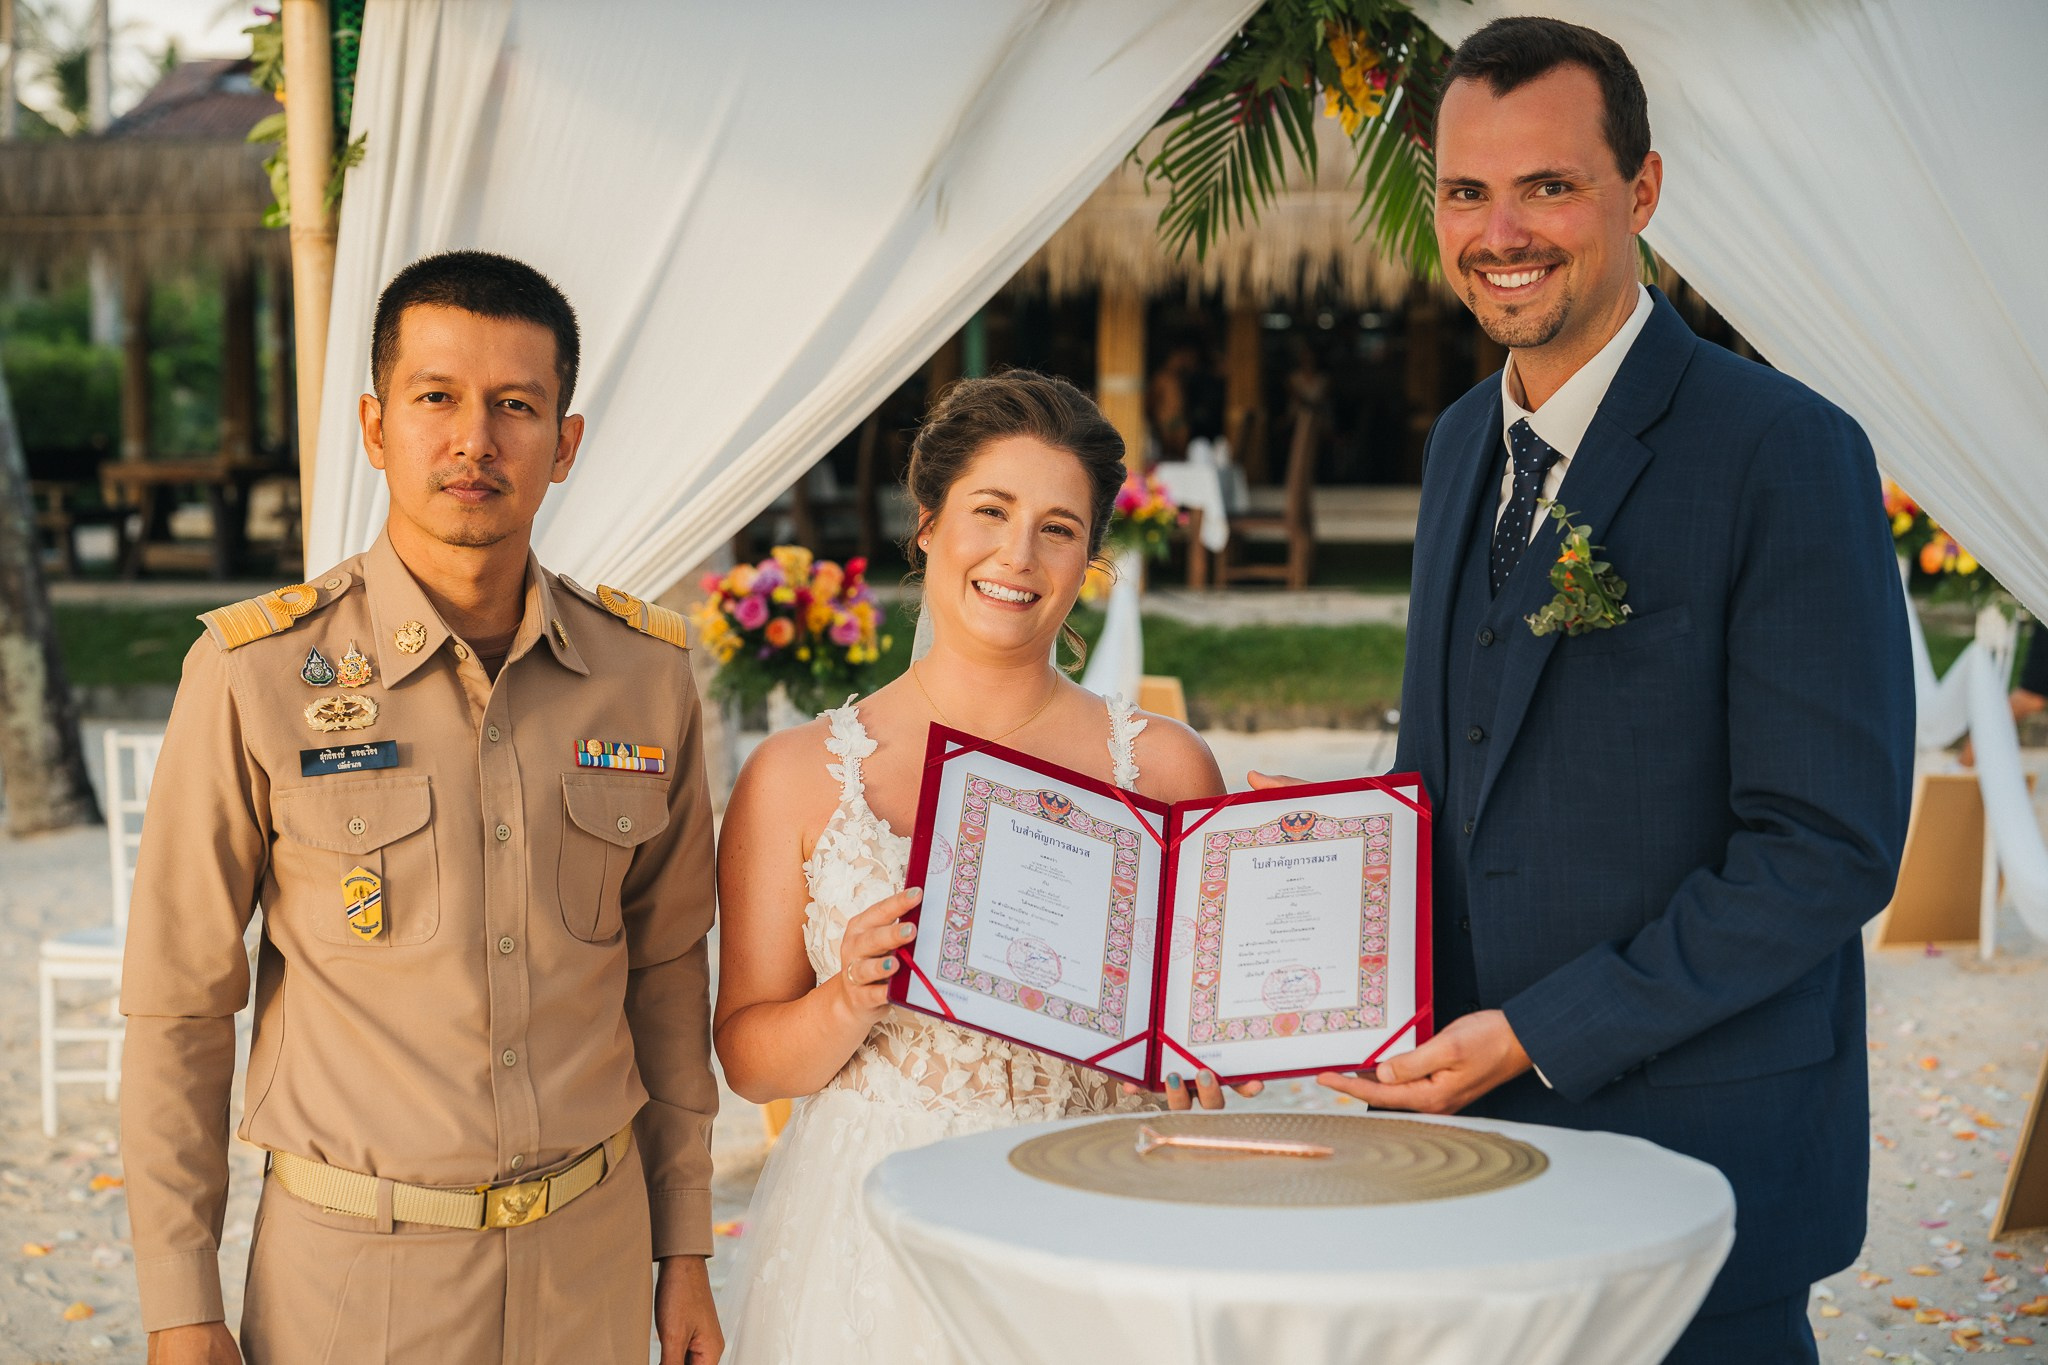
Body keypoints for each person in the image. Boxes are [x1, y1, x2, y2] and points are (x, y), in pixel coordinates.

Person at [1257, 18, 1912, 1363]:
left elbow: (1825, 848)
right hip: (1467, 1160)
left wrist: (1538, 1034)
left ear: (1642, 191)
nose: (1500, 233)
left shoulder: (1786, 450)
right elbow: (1458, 763)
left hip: (1700, 1164)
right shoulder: (1458, 445)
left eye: (1547, 185)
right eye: (1466, 191)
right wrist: (1312, 865)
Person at [121, 251, 724, 1364]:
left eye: (515, 406)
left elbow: (668, 969)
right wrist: (179, 1301)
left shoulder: (642, 676)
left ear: (565, 444)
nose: (474, 440)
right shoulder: (257, 674)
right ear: (375, 424)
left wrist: (682, 1242)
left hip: (589, 1265)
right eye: (436, 397)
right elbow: (179, 1005)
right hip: (357, 1277)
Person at [713, 370, 1253, 1364]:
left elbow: (1204, 1038)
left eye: (1058, 527)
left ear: (1090, 557)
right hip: (876, 1236)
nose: (1018, 554)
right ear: (926, 525)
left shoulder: (1167, 768)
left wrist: (1207, 1057)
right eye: (990, 511)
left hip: (1094, 1213)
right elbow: (749, 1061)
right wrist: (847, 996)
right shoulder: (796, 776)